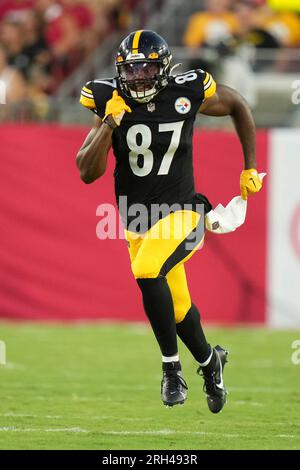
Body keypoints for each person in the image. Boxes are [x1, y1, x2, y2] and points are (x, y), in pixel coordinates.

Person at [77, 30, 264, 412]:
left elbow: (237, 105)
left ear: (163, 68)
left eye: (147, 67)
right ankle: (211, 361)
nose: (139, 77)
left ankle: (171, 369)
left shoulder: (187, 90)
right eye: (131, 70)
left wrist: (250, 167)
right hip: (136, 220)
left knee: (148, 272)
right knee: (177, 308)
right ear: (120, 71)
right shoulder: (109, 99)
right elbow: (86, 171)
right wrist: (110, 123)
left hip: (183, 211)